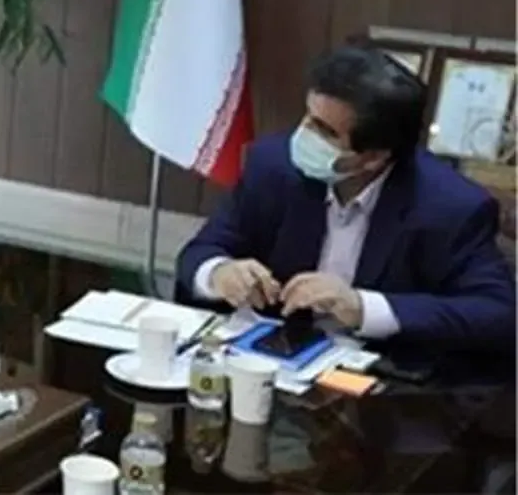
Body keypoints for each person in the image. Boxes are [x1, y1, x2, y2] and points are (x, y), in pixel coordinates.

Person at [176, 42, 516, 369]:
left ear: (375, 157)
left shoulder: (449, 206)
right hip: (273, 360)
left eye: (324, 131)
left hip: (381, 379)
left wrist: (363, 307)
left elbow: (499, 314)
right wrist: (219, 273)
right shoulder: (273, 165)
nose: (303, 134)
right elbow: (199, 253)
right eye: (307, 116)